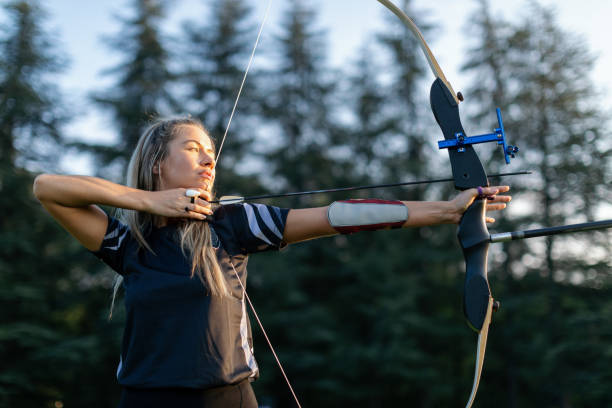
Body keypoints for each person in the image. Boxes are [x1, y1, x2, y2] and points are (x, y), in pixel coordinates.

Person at [33, 117, 511, 407]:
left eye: (212, 154)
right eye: (194, 149)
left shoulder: (233, 223)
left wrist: (446, 211)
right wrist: (147, 202)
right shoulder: (127, 244)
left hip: (228, 397)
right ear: (158, 161)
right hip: (146, 400)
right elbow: (47, 188)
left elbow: (336, 217)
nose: (208, 161)